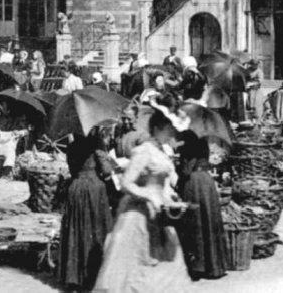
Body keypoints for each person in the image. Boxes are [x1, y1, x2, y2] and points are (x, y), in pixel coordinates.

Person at [94, 94, 192, 292]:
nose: (173, 132)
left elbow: (162, 182)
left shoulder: (161, 151)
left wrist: (170, 195)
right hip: (137, 215)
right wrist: (148, 195)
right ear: (159, 127)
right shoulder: (144, 151)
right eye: (170, 127)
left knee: (165, 266)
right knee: (133, 269)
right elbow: (126, 183)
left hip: (159, 215)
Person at [59, 126, 115, 291]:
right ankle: (92, 275)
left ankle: (74, 276)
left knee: (76, 230)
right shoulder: (96, 144)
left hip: (76, 187)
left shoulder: (72, 146)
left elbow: (72, 170)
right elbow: (106, 171)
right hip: (93, 189)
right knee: (95, 230)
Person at [175, 131, 227, 280]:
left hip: (194, 183)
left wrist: (178, 164)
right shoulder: (202, 141)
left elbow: (186, 170)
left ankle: (199, 266)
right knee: (209, 220)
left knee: (195, 222)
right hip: (206, 180)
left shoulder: (189, 143)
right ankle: (214, 265)